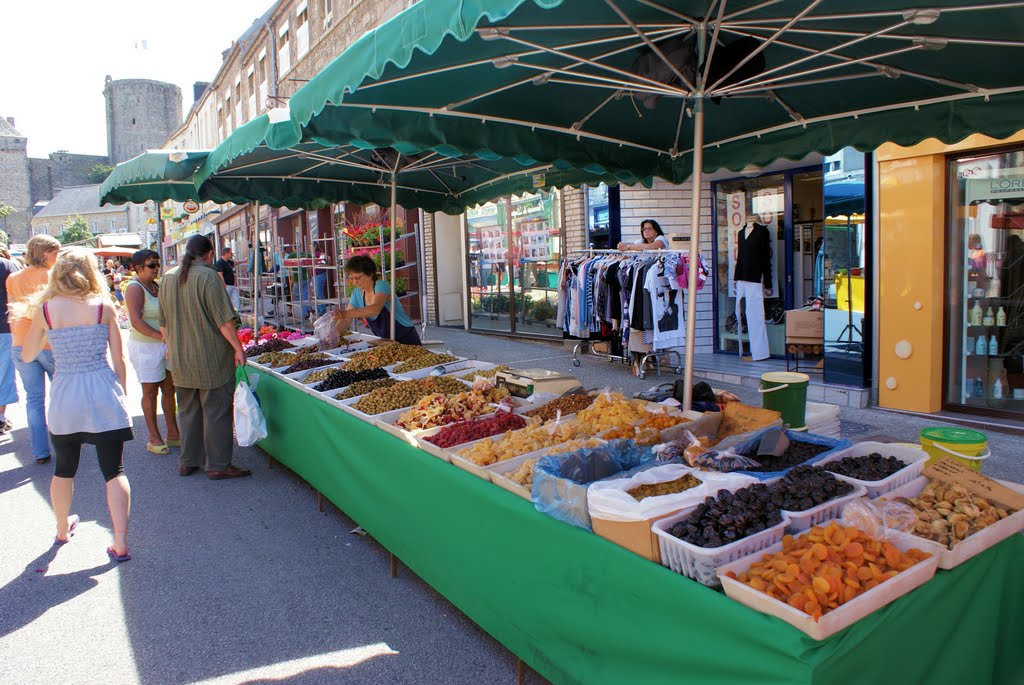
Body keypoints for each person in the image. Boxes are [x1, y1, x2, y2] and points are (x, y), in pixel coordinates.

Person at [19, 248, 133, 561]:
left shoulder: (46, 309)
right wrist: (122, 393)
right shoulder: (103, 306)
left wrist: (49, 336)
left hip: (66, 394)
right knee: (114, 470)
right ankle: (120, 542)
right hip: (102, 392)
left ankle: (60, 527)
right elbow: (119, 359)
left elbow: (27, 354)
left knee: (64, 468)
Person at [159, 234, 250, 480]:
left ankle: (189, 461)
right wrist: (238, 349)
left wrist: (169, 345)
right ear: (209, 254)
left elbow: (163, 322)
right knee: (216, 410)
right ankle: (218, 465)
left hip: (180, 357)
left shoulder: (167, 277)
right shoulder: (208, 277)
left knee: (187, 410)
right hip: (209, 357)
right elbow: (224, 321)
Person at [7, 234, 60, 464]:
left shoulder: (13, 278)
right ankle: (66, 443)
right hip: (48, 341)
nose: (58, 258)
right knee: (60, 394)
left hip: (20, 340)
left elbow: (10, 310)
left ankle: (40, 452)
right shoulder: (53, 276)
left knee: (34, 399)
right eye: (56, 253)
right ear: (46, 253)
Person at [124, 249, 180, 455]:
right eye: (151, 265)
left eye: (157, 264)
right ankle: (153, 436)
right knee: (150, 391)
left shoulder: (156, 285)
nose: (156, 268)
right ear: (138, 268)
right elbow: (136, 321)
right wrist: (162, 337)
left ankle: (173, 432)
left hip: (163, 344)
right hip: (145, 347)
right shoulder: (134, 288)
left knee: (169, 388)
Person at [334, 254, 421, 345]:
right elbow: (346, 319)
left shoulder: (381, 285)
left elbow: (375, 309)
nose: (355, 281)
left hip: (406, 338)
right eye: (351, 278)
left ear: (370, 274)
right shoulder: (356, 293)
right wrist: (333, 335)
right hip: (386, 341)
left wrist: (343, 314)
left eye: (357, 278)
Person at [0, 245, 21, 435]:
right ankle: (0, 417)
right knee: (4, 371)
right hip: (4, 327)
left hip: (5, 326)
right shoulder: (8, 266)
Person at [213, 246, 240, 311]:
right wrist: (224, 284)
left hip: (231, 285)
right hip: (226, 286)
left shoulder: (228, 262)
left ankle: (236, 315)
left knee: (236, 302)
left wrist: (244, 261)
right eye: (231, 253)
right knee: (225, 303)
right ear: (226, 253)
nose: (232, 255)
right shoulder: (219, 263)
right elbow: (220, 274)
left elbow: (235, 263)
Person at [313, 246, 330, 316]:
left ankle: (322, 310)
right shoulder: (314, 253)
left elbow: (324, 257)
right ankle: (319, 309)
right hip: (316, 275)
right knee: (317, 293)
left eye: (311, 247)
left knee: (319, 293)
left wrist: (319, 261)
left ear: (315, 246)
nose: (311, 248)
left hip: (319, 274)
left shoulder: (319, 253)